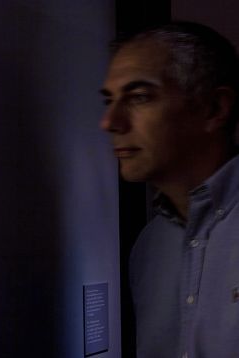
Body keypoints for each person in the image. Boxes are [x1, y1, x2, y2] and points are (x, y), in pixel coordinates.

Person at [100, 22, 239, 357]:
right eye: (110, 100)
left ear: (214, 109)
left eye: (140, 97)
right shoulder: (148, 248)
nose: (110, 122)